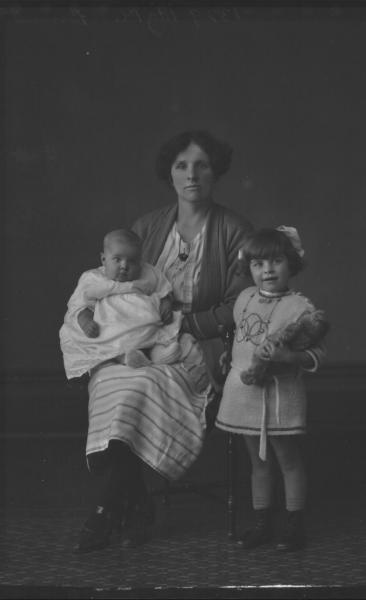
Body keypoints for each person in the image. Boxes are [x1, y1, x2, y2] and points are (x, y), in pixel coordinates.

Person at [74, 130, 253, 553]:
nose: (191, 175)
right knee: (110, 383)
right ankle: (136, 505)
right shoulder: (146, 227)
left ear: (216, 171)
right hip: (136, 342)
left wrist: (184, 324)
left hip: (196, 348)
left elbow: (239, 304)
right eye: (181, 166)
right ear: (169, 174)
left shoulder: (234, 230)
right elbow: (107, 286)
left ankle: (106, 510)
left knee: (137, 388)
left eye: (202, 165)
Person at [215, 227, 328, 551]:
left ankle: (294, 524)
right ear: (248, 267)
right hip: (244, 392)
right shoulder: (245, 299)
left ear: (291, 264)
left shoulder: (300, 309)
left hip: (280, 394)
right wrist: (231, 355)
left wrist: (287, 356)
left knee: (287, 458)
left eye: (276, 261)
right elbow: (243, 339)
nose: (267, 270)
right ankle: (262, 522)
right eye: (258, 263)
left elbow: (316, 355)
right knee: (257, 461)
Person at [60, 228, 187, 380]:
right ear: (103, 259)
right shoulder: (93, 278)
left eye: (132, 261)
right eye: (117, 259)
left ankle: (157, 354)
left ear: (140, 262)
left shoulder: (148, 272)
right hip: (112, 326)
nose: (124, 266)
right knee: (112, 348)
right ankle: (125, 358)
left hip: (143, 323)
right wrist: (85, 320)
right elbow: (78, 303)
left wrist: (166, 302)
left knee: (155, 336)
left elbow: (163, 288)